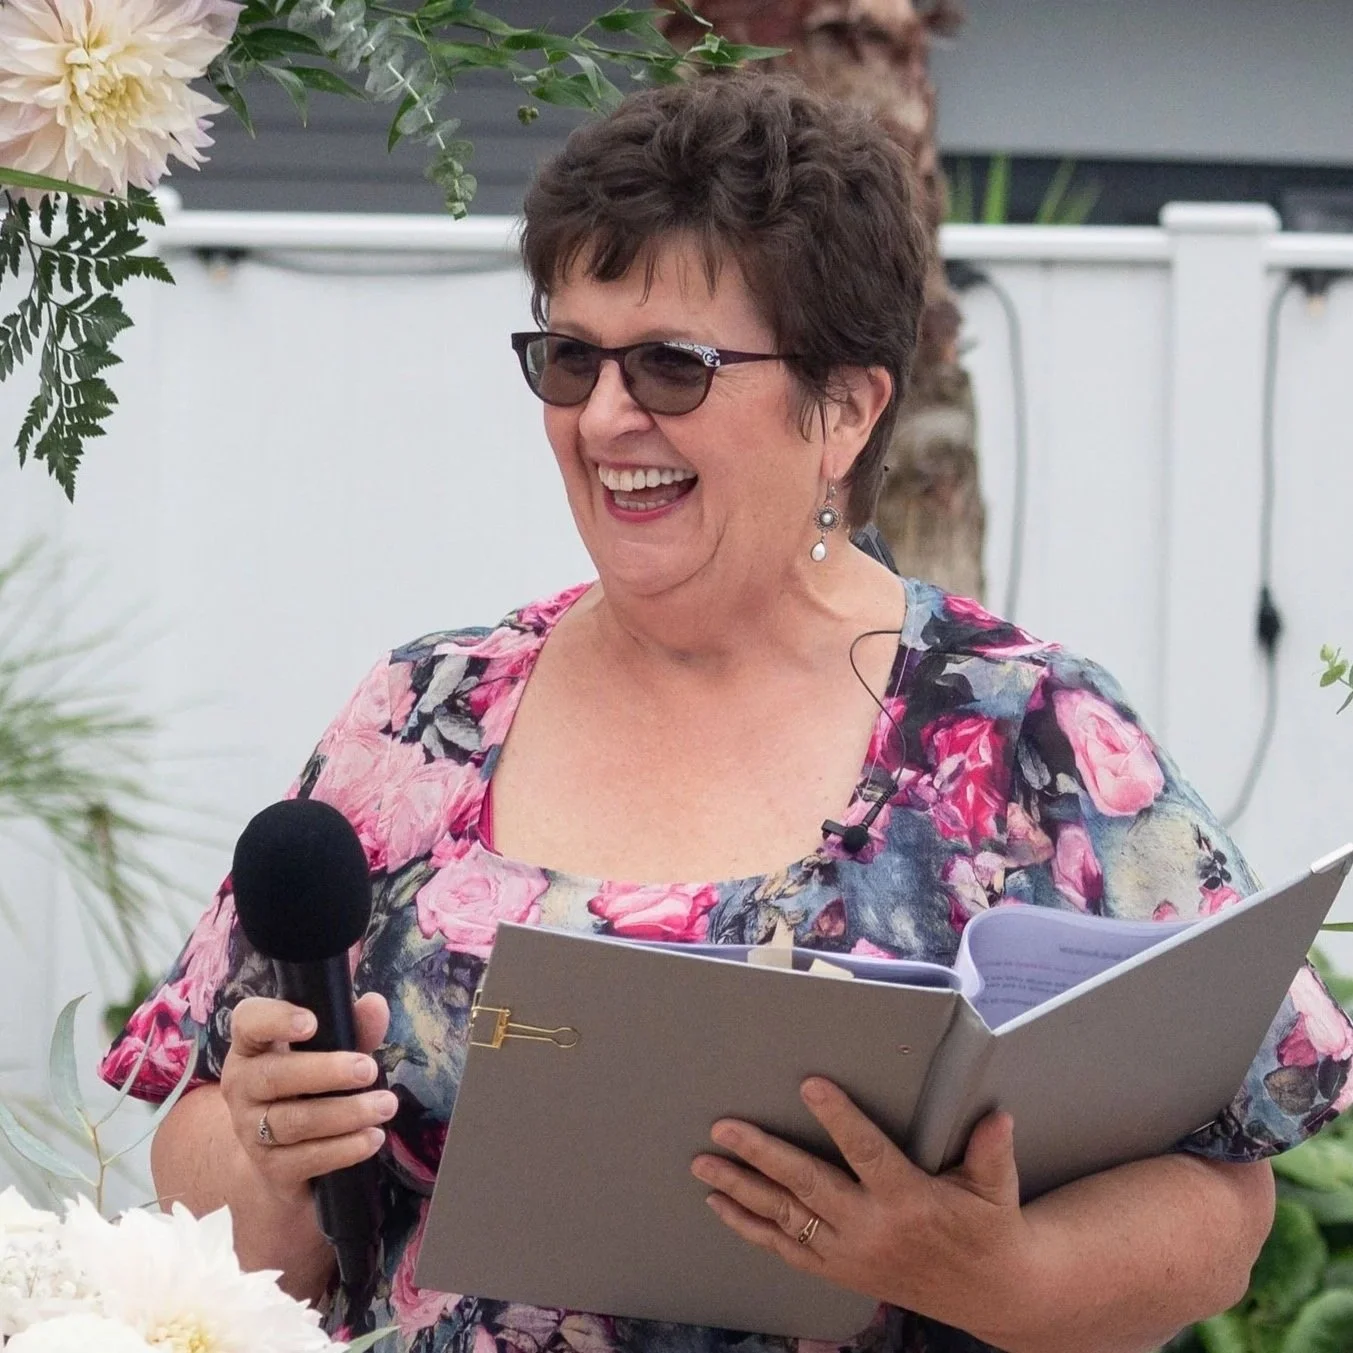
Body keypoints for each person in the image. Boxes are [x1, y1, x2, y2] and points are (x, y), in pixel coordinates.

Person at [101, 73, 1352, 1353]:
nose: (601, 418)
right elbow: (222, 1189)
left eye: (671, 367)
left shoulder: (1026, 731)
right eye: (570, 356)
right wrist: (269, 1152)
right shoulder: (419, 716)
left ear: (845, 411)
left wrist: (993, 1270)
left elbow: (1223, 1200)